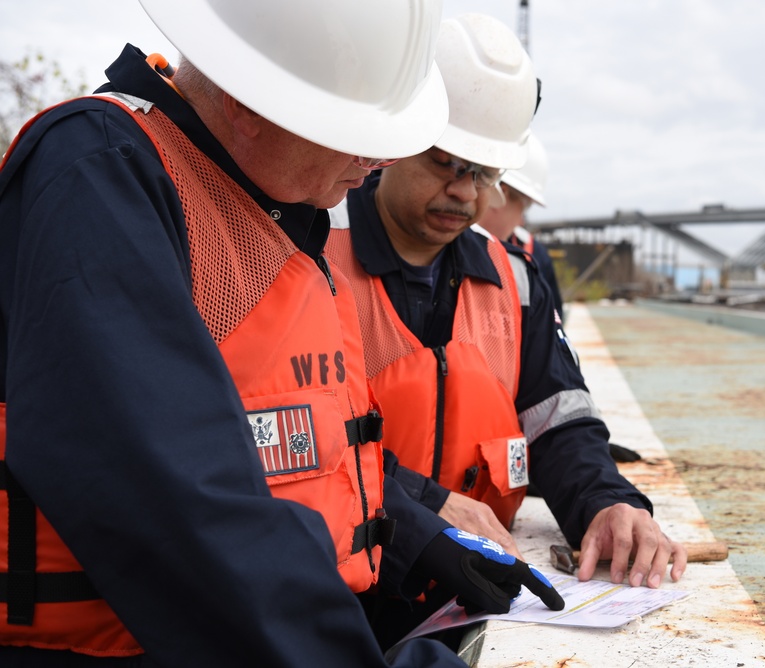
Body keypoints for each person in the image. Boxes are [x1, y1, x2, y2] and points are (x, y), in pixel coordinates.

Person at [0, 2, 562, 666]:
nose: (380, 159)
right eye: (356, 129)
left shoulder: (266, 206)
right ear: (249, 101)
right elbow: (177, 509)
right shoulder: (101, 177)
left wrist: (413, 533)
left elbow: (304, 440)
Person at [326, 12, 686, 618]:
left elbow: (559, 420)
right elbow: (281, 443)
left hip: (472, 595)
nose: (467, 191)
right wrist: (422, 504)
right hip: (340, 595)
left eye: (486, 172)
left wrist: (606, 503)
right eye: (445, 162)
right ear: (395, 140)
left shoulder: (514, 281)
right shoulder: (307, 255)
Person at [478, 133, 564, 321]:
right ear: (502, 194)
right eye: (523, 210)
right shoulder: (445, 250)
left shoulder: (534, 255)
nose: (521, 222)